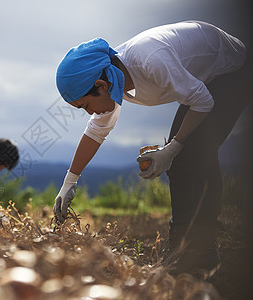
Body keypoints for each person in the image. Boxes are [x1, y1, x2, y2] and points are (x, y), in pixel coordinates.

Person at [53, 20, 250, 278]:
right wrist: (70, 181)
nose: (89, 112)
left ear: (100, 86)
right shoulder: (114, 77)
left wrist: (172, 148)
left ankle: (199, 250)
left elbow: (202, 101)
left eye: (84, 105)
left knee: (193, 152)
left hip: (234, 70)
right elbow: (96, 131)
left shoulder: (150, 60)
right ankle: (188, 249)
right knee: (184, 156)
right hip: (205, 81)